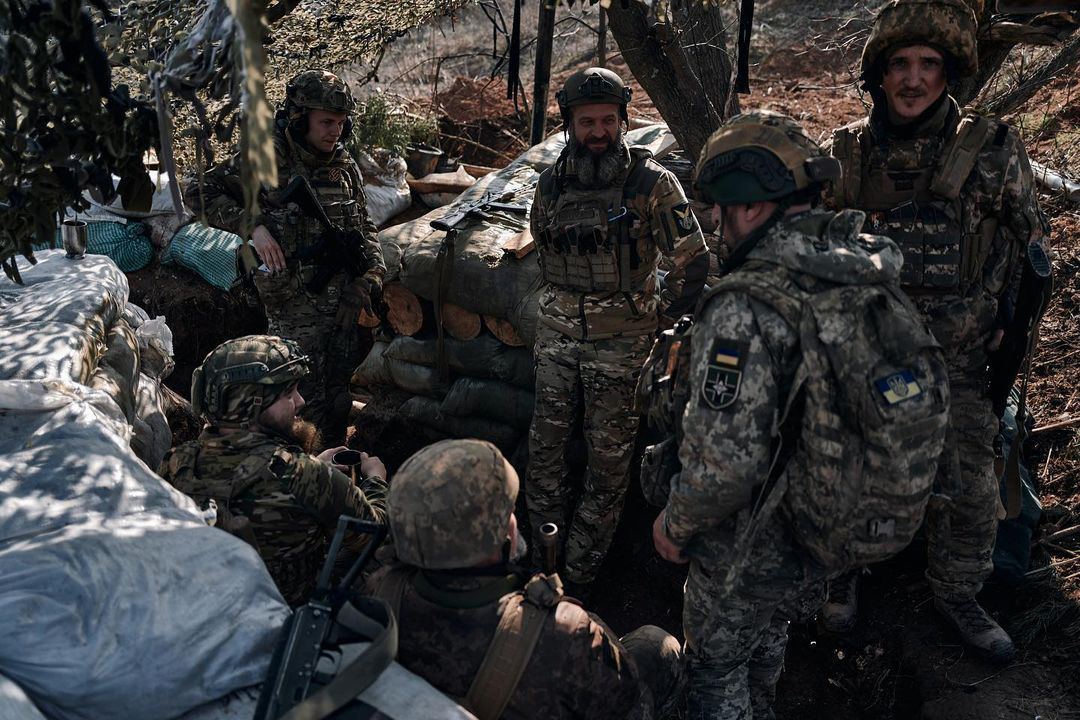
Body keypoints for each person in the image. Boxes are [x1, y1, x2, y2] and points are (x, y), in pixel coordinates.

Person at [651, 110, 949, 719]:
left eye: (722, 211)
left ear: (752, 206)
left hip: (747, 545)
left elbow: (724, 466)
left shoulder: (746, 305)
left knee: (713, 674)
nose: (718, 227)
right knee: (767, 645)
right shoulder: (857, 268)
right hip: (820, 532)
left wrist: (675, 525)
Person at [822, 0, 1050, 663]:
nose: (914, 79)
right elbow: (811, 251)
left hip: (962, 359)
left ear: (949, 72)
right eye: (900, 64)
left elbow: (1033, 248)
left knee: (971, 486)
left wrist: (1012, 332)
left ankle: (958, 595)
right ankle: (844, 574)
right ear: (880, 74)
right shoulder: (845, 154)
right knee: (847, 470)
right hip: (870, 356)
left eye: (928, 64)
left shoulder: (993, 150)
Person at [527, 66, 708, 592]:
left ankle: (580, 577)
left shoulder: (652, 184)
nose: (598, 132)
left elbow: (692, 262)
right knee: (544, 455)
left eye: (608, 120)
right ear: (569, 124)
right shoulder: (551, 182)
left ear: (623, 120)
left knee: (607, 467)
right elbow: (542, 246)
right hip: (556, 341)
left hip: (622, 350)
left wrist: (657, 321)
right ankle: (542, 564)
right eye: (587, 122)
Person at [368, 438, 683, 720]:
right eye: (506, 509)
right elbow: (626, 701)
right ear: (498, 533)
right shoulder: (563, 634)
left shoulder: (379, 591)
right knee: (657, 645)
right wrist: (577, 618)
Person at [190, 69, 386, 447]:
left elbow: (365, 227)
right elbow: (199, 189)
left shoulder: (344, 166)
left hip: (343, 309)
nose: (335, 131)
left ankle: (333, 468)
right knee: (298, 407)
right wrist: (254, 227)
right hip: (294, 309)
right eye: (326, 122)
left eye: (341, 123)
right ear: (299, 118)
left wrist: (370, 278)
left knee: (339, 400)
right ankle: (297, 475)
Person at [159, 335, 388, 607]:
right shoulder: (307, 476)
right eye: (289, 393)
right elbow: (372, 533)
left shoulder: (176, 463)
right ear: (252, 403)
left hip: (202, 610)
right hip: (286, 615)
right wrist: (375, 479)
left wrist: (311, 466)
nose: (300, 401)